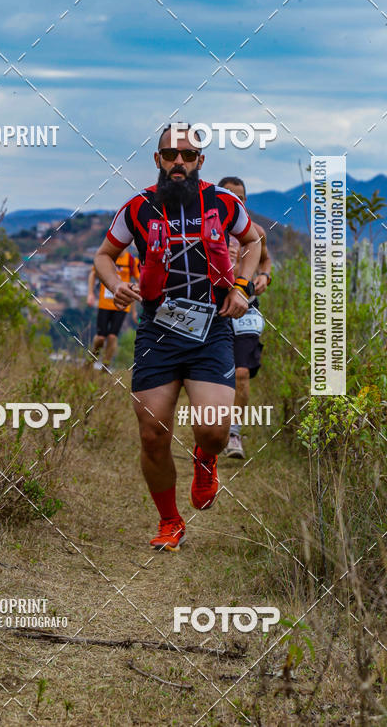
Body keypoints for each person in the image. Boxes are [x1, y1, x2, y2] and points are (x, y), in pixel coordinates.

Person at [94, 124, 261, 550]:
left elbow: (253, 241)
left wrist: (242, 288)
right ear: (158, 160)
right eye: (170, 155)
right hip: (158, 330)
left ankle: (205, 460)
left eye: (187, 156)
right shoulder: (138, 207)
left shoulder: (223, 202)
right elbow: (104, 256)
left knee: (213, 430)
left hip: (212, 328)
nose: (178, 163)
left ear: (201, 161)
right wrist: (115, 285)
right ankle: (170, 521)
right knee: (152, 432)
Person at [218, 177, 272, 459]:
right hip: (215, 309)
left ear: (245, 201)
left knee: (241, 372)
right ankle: (213, 431)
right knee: (216, 375)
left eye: (238, 196)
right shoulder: (208, 229)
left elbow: (265, 259)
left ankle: (235, 434)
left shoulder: (256, 231)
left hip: (247, 307)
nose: (233, 200)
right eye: (227, 195)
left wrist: (264, 275)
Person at [87, 248, 139, 370]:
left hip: (122, 305)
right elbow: (93, 273)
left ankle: (106, 365)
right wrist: (90, 294)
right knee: (100, 337)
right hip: (104, 304)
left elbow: (139, 281)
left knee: (112, 336)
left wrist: (134, 311)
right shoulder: (107, 257)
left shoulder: (131, 261)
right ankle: (92, 358)